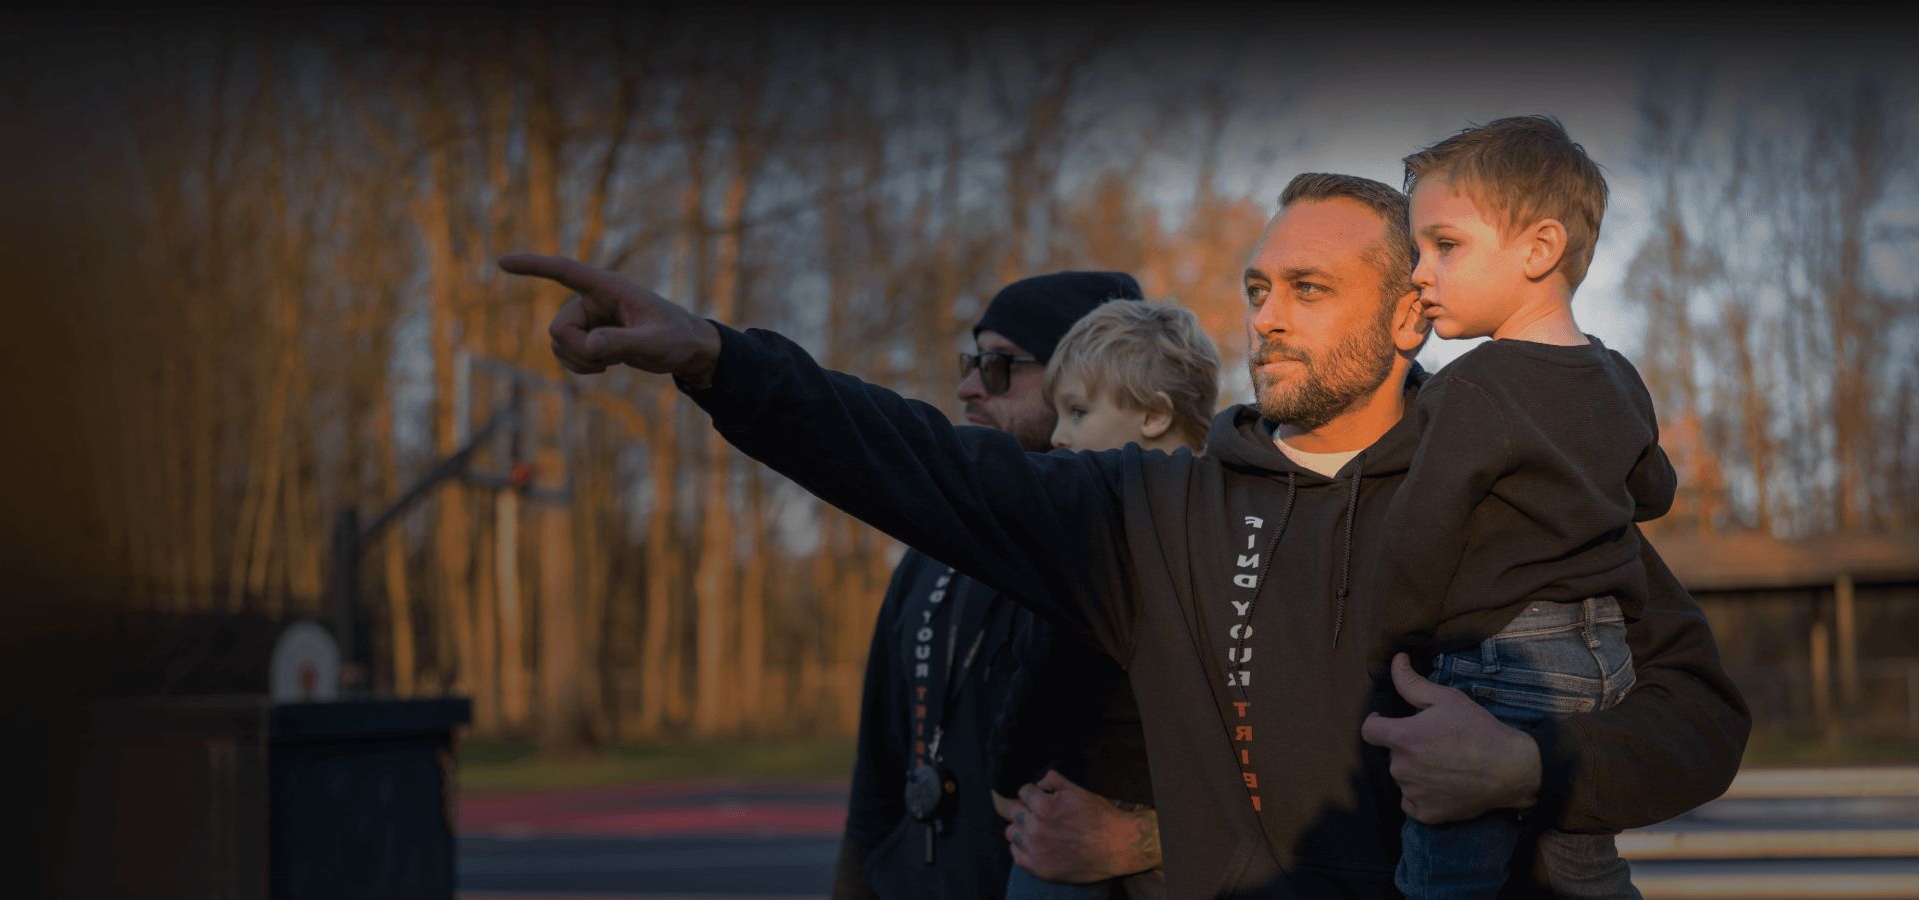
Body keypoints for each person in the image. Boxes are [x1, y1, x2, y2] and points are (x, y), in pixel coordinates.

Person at [498, 170, 1749, 897]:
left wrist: (1531, 770)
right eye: (1260, 287)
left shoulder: (1521, 493)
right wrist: (716, 357)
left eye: (1311, 290)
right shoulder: (1158, 511)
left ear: (1412, 317)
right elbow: (923, 464)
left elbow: (1700, 714)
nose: (1267, 317)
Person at [1383, 115, 1667, 899]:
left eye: (1444, 246)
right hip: (1606, 661)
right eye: (1416, 250)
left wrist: (1390, 641)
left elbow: (1419, 535)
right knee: (1581, 865)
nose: (1418, 273)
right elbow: (1655, 490)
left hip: (1502, 662)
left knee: (1450, 873)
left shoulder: (1472, 385)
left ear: (1539, 250)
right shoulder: (1617, 375)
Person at [829, 271, 1154, 899]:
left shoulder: (1145, 556)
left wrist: (1145, 840)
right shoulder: (926, 558)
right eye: (973, 362)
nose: (969, 387)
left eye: (1001, 365)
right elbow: (876, 784)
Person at [991, 299, 1222, 900]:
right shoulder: (1232, 526)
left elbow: (1043, 672)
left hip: (1081, 817)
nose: (1060, 435)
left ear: (1152, 415)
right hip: (1194, 826)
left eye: (1078, 412)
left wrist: (1005, 773)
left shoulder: (1095, 538)